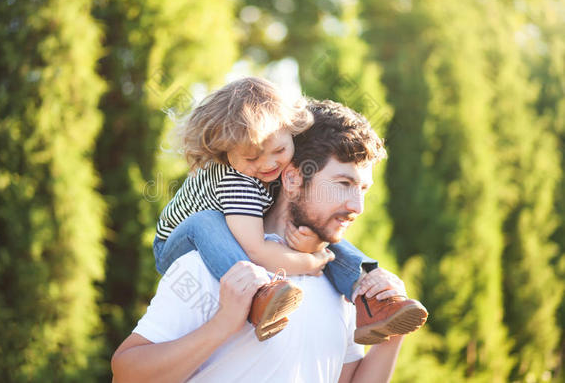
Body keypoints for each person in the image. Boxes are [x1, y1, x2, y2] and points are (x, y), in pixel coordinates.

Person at [112, 99, 427, 382]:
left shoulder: (342, 285)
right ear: (292, 178)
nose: (357, 207)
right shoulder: (212, 265)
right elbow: (126, 374)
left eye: (363, 189)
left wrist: (393, 333)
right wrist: (223, 324)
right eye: (343, 183)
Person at [153, 77, 426, 341]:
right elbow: (255, 250)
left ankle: (372, 298)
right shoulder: (238, 180)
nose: (268, 164)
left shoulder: (278, 164)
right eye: (252, 157)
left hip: (236, 229)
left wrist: (316, 245)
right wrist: (310, 261)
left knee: (323, 227)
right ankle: (258, 297)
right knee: (206, 221)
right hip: (177, 244)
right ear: (227, 153)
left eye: (279, 150)